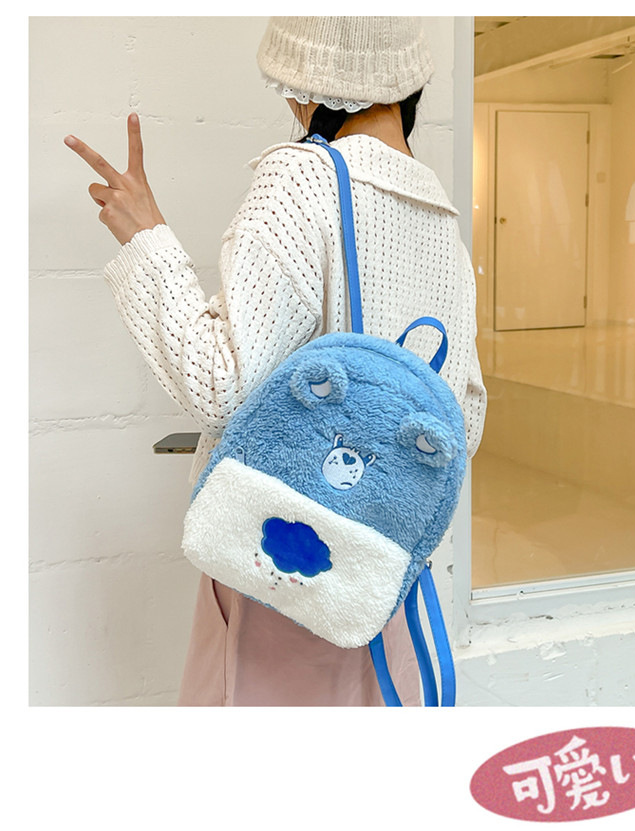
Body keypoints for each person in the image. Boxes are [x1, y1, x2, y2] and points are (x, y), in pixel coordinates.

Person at [64, 16, 487, 706]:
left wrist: (147, 238)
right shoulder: (443, 220)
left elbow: (220, 385)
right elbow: (463, 423)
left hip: (284, 564)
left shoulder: (301, 178)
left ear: (307, 85)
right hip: (381, 578)